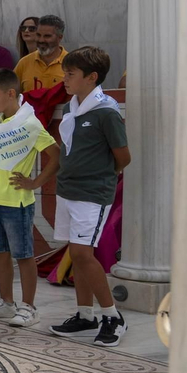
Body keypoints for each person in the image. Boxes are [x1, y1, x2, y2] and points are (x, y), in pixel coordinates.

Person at [47, 47, 131, 347]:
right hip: (68, 190)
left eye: (70, 74)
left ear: (91, 77)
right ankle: (85, 315)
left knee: (83, 254)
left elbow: (123, 157)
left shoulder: (106, 112)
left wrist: (101, 178)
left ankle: (112, 316)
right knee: (78, 254)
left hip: (92, 193)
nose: (65, 78)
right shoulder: (71, 108)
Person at [0, 70, 60, 327]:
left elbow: (56, 155)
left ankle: (29, 307)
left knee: (23, 255)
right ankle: (6, 302)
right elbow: (0, 156)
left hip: (17, 202)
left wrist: (35, 182)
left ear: (11, 93)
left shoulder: (30, 124)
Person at [15, 14, 67, 92]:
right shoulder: (24, 62)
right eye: (38, 35)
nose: (41, 40)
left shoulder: (71, 63)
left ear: (59, 37)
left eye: (47, 36)